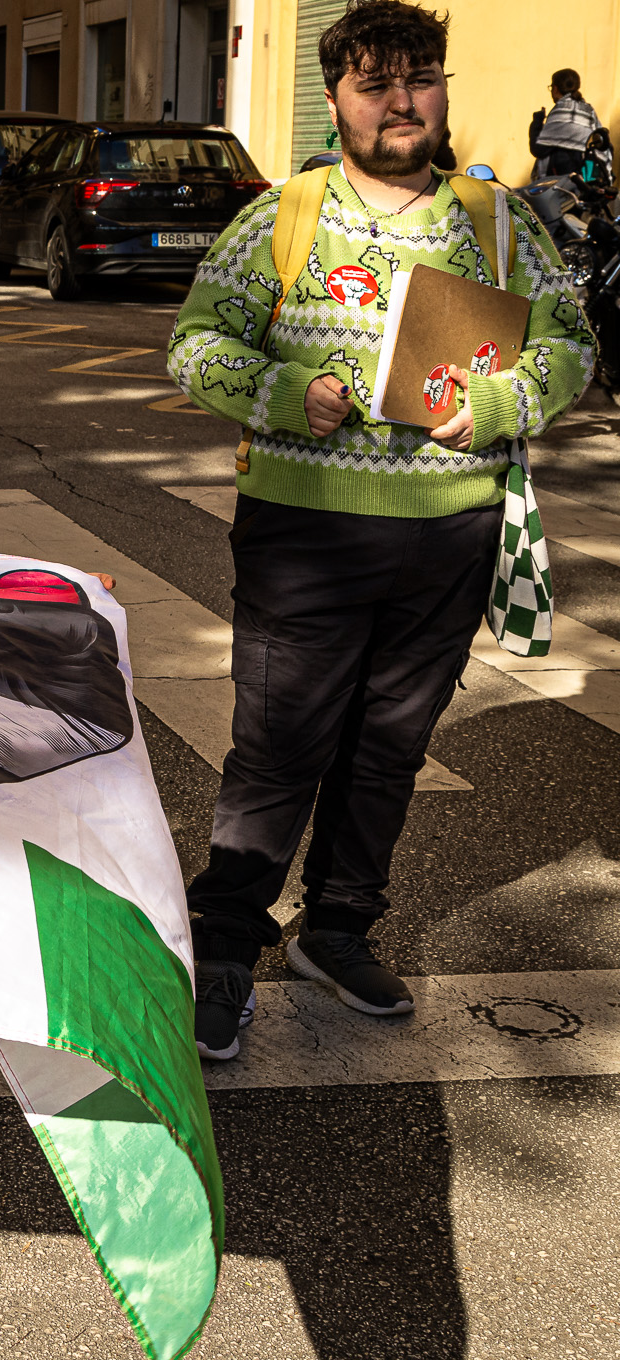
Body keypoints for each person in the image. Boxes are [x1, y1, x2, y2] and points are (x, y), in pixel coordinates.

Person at [167, 0, 594, 1060]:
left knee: (388, 751)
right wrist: (280, 387)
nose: (402, 101)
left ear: (441, 90)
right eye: (375, 83)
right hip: (304, 538)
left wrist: (504, 404)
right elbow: (192, 341)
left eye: (421, 78)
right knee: (278, 749)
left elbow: (573, 344)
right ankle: (224, 945)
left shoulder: (497, 225)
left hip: (448, 536)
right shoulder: (284, 214)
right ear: (339, 100)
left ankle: (339, 930)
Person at [529, 68, 607, 182]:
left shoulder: (560, 110)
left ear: (555, 89)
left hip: (561, 182)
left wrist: (536, 123)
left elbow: (538, 149)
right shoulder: (589, 111)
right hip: (586, 180)